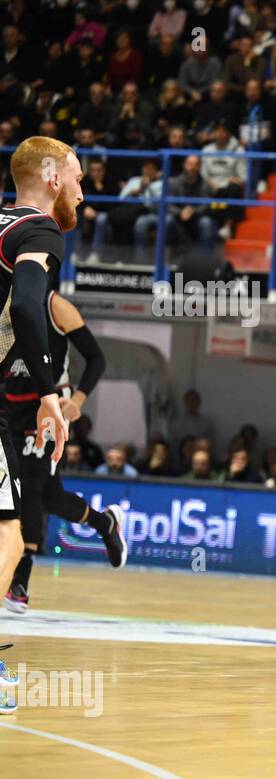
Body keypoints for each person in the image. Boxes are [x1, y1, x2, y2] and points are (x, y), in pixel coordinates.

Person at [0, 136, 78, 700]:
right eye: (76, 176)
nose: (81, 188)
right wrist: (50, 392)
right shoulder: (38, 229)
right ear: (52, 178)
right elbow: (28, 306)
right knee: (6, 528)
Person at [2, 292, 127, 615]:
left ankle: (20, 582)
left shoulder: (55, 307)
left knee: (28, 484)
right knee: (49, 496)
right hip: (10, 407)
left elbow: (96, 358)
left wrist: (79, 400)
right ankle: (105, 523)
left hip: (49, 405)